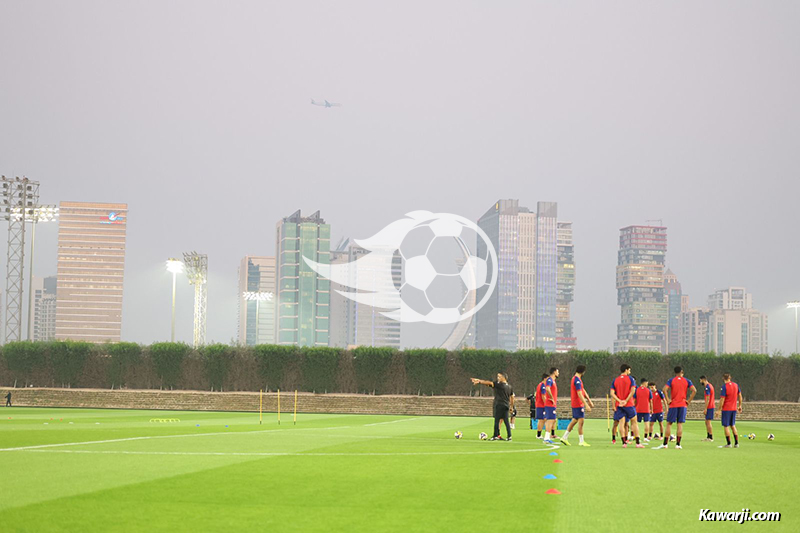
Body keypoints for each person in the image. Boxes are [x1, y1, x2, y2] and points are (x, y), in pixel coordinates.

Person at [654, 366, 696, 450]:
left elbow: (664, 389)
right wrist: (688, 401)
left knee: (669, 423)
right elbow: (694, 390)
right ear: (682, 372)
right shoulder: (687, 381)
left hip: (674, 404)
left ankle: (665, 444)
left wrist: (668, 399)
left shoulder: (671, 380)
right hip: (683, 404)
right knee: (679, 424)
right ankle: (678, 444)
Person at [471, 372, 513, 441]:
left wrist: (479, 381)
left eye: (499, 377)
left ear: (503, 378)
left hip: (499, 404)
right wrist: (511, 406)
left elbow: (490, 383)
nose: (498, 378)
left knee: (497, 420)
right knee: (506, 421)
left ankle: (495, 435)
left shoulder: (500, 385)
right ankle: (509, 436)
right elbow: (512, 397)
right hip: (506, 405)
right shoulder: (509, 386)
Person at [610, 364, 644, 448]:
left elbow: (612, 393)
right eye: (629, 370)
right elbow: (633, 391)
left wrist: (619, 401)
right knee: (634, 422)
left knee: (621, 423)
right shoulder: (631, 379)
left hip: (619, 405)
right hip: (629, 404)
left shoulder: (615, 380)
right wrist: (626, 400)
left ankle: (624, 443)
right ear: (626, 370)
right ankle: (638, 443)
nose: (630, 371)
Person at [560, 365, 594, 446]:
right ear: (583, 372)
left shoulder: (577, 379)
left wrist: (589, 400)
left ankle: (564, 437)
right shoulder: (576, 380)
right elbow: (579, 393)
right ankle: (581, 441)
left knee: (575, 420)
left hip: (576, 403)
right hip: (578, 404)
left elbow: (583, 390)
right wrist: (586, 405)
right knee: (581, 422)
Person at [718, 373, 743, 448]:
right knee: (733, 425)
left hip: (726, 409)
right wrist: (740, 405)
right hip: (733, 408)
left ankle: (728, 443)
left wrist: (719, 409)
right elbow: (740, 396)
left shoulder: (724, 387)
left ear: (723, 379)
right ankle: (736, 443)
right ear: (730, 378)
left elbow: (722, 399)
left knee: (726, 426)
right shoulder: (736, 385)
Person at [527, 373, 548, 438]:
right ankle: (540, 435)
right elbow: (543, 396)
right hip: (541, 405)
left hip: (539, 405)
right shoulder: (543, 386)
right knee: (543, 420)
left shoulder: (539, 385)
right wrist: (547, 404)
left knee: (543, 419)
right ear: (545, 379)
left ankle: (540, 434)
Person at [542, 367, 559, 444]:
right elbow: (547, 388)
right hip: (550, 404)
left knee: (552, 420)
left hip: (552, 404)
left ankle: (547, 437)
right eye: (557, 372)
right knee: (550, 420)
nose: (558, 373)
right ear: (554, 372)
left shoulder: (553, 381)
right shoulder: (550, 380)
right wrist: (551, 398)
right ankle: (546, 438)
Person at [634, 378, 653, 442]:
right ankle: (645, 437)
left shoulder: (637, 390)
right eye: (647, 383)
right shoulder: (648, 390)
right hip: (646, 409)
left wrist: (634, 407)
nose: (647, 385)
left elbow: (634, 400)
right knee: (646, 423)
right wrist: (651, 409)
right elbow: (651, 401)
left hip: (638, 409)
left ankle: (636, 436)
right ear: (644, 383)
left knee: (635, 423)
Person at [699, 375, 715, 442]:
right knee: (706, 422)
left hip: (710, 407)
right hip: (710, 406)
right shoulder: (710, 386)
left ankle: (710, 437)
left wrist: (705, 408)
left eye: (700, 380)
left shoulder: (708, 387)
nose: (700, 382)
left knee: (708, 422)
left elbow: (708, 398)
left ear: (703, 379)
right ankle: (708, 436)